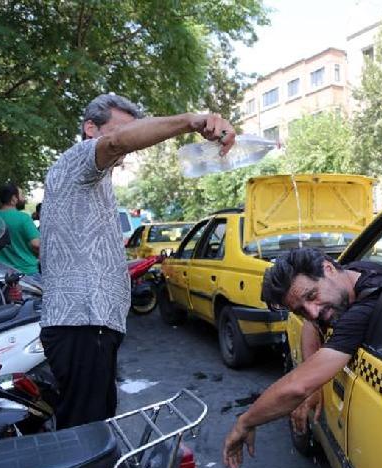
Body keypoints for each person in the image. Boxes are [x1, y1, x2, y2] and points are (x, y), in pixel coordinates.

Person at [40, 93, 235, 429]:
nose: (129, 144)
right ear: (90, 129)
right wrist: (193, 120)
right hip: (82, 326)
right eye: (125, 132)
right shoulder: (77, 162)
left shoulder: (96, 182)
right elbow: (116, 143)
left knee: (94, 428)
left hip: (92, 327)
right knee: (87, 439)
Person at [223, 247, 382, 468]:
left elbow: (296, 387)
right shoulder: (355, 273)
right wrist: (315, 388)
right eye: (300, 311)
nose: (312, 312)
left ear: (329, 269)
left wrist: (245, 422)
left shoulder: (368, 307)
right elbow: (313, 323)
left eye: (312, 296)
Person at [0, 183, 41, 280]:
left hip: (0, 275)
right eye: (21, 195)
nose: (23, 198)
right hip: (26, 273)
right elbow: (36, 244)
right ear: (14, 199)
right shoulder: (23, 218)